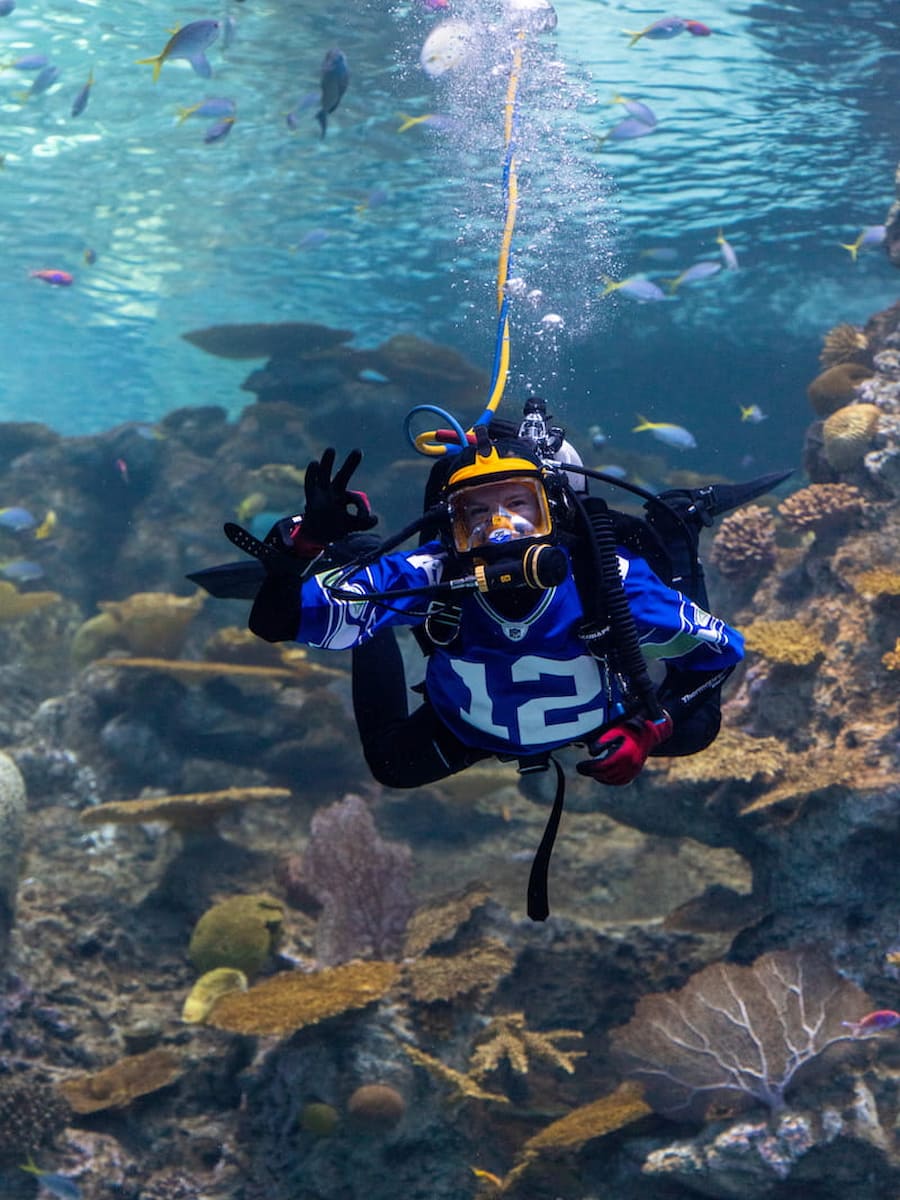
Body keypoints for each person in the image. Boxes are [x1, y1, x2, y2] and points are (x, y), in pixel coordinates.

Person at [191, 401, 775, 917]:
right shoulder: (432, 574)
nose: (501, 529)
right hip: (472, 722)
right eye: (478, 514)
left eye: (520, 506)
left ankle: (677, 528)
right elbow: (274, 623)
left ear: (555, 510)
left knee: (697, 729)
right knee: (392, 764)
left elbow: (723, 653)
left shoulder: (609, 579)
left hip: (602, 718)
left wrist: (651, 729)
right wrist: (303, 551)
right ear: (451, 530)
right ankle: (360, 577)